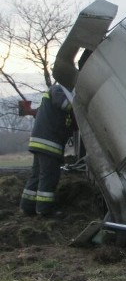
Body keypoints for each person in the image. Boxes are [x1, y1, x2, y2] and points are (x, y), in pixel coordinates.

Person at [19, 82, 75, 216]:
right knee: (49, 176)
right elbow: (66, 106)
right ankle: (44, 210)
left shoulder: (53, 93)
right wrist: (80, 106)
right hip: (49, 143)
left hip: (40, 142)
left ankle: (27, 206)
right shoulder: (58, 90)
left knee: (37, 175)